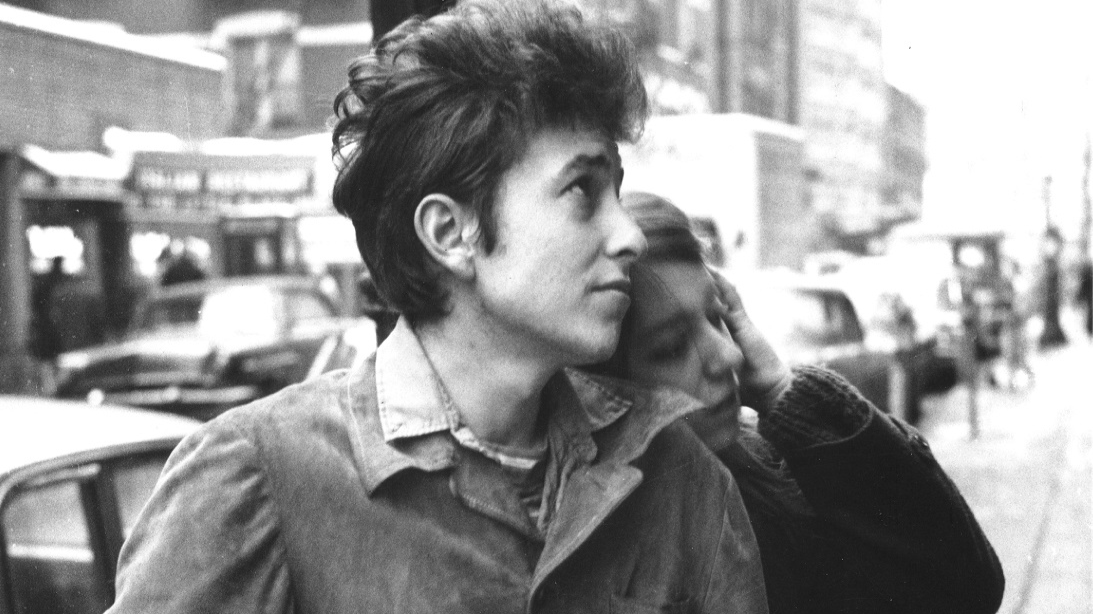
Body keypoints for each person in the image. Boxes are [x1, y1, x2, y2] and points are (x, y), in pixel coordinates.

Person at [107, 4, 768, 613]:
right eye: (581, 192)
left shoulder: (678, 477)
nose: (629, 235)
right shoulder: (258, 477)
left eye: (617, 193)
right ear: (451, 235)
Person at [593, 192, 1005, 614]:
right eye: (672, 346)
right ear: (604, 390)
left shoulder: (768, 473)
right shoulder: (596, 558)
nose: (729, 355)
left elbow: (969, 588)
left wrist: (782, 390)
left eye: (717, 317)